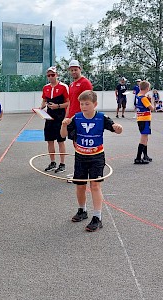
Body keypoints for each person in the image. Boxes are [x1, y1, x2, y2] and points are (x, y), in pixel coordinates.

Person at [60, 90, 123, 232]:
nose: (83, 106)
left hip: (96, 156)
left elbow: (116, 130)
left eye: (87, 104)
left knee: (95, 186)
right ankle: (82, 210)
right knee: (80, 186)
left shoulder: (101, 118)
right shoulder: (76, 118)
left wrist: (119, 127)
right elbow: (63, 135)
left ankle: (97, 217)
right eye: (81, 104)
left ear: (95, 104)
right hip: (80, 156)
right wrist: (64, 125)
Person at [39, 66, 69, 173]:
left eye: (53, 75)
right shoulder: (45, 87)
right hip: (49, 117)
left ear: (57, 75)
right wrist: (41, 107)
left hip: (60, 117)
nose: (51, 77)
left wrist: (58, 106)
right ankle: (52, 163)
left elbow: (69, 102)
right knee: (49, 141)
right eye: (49, 75)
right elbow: (44, 100)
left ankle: (62, 164)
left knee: (61, 141)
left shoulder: (63, 87)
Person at [134, 81, 153, 164]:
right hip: (145, 119)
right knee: (144, 138)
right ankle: (138, 157)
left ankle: (145, 155)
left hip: (140, 118)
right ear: (147, 88)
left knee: (145, 137)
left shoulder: (138, 96)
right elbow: (152, 108)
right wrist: (150, 100)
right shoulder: (144, 98)